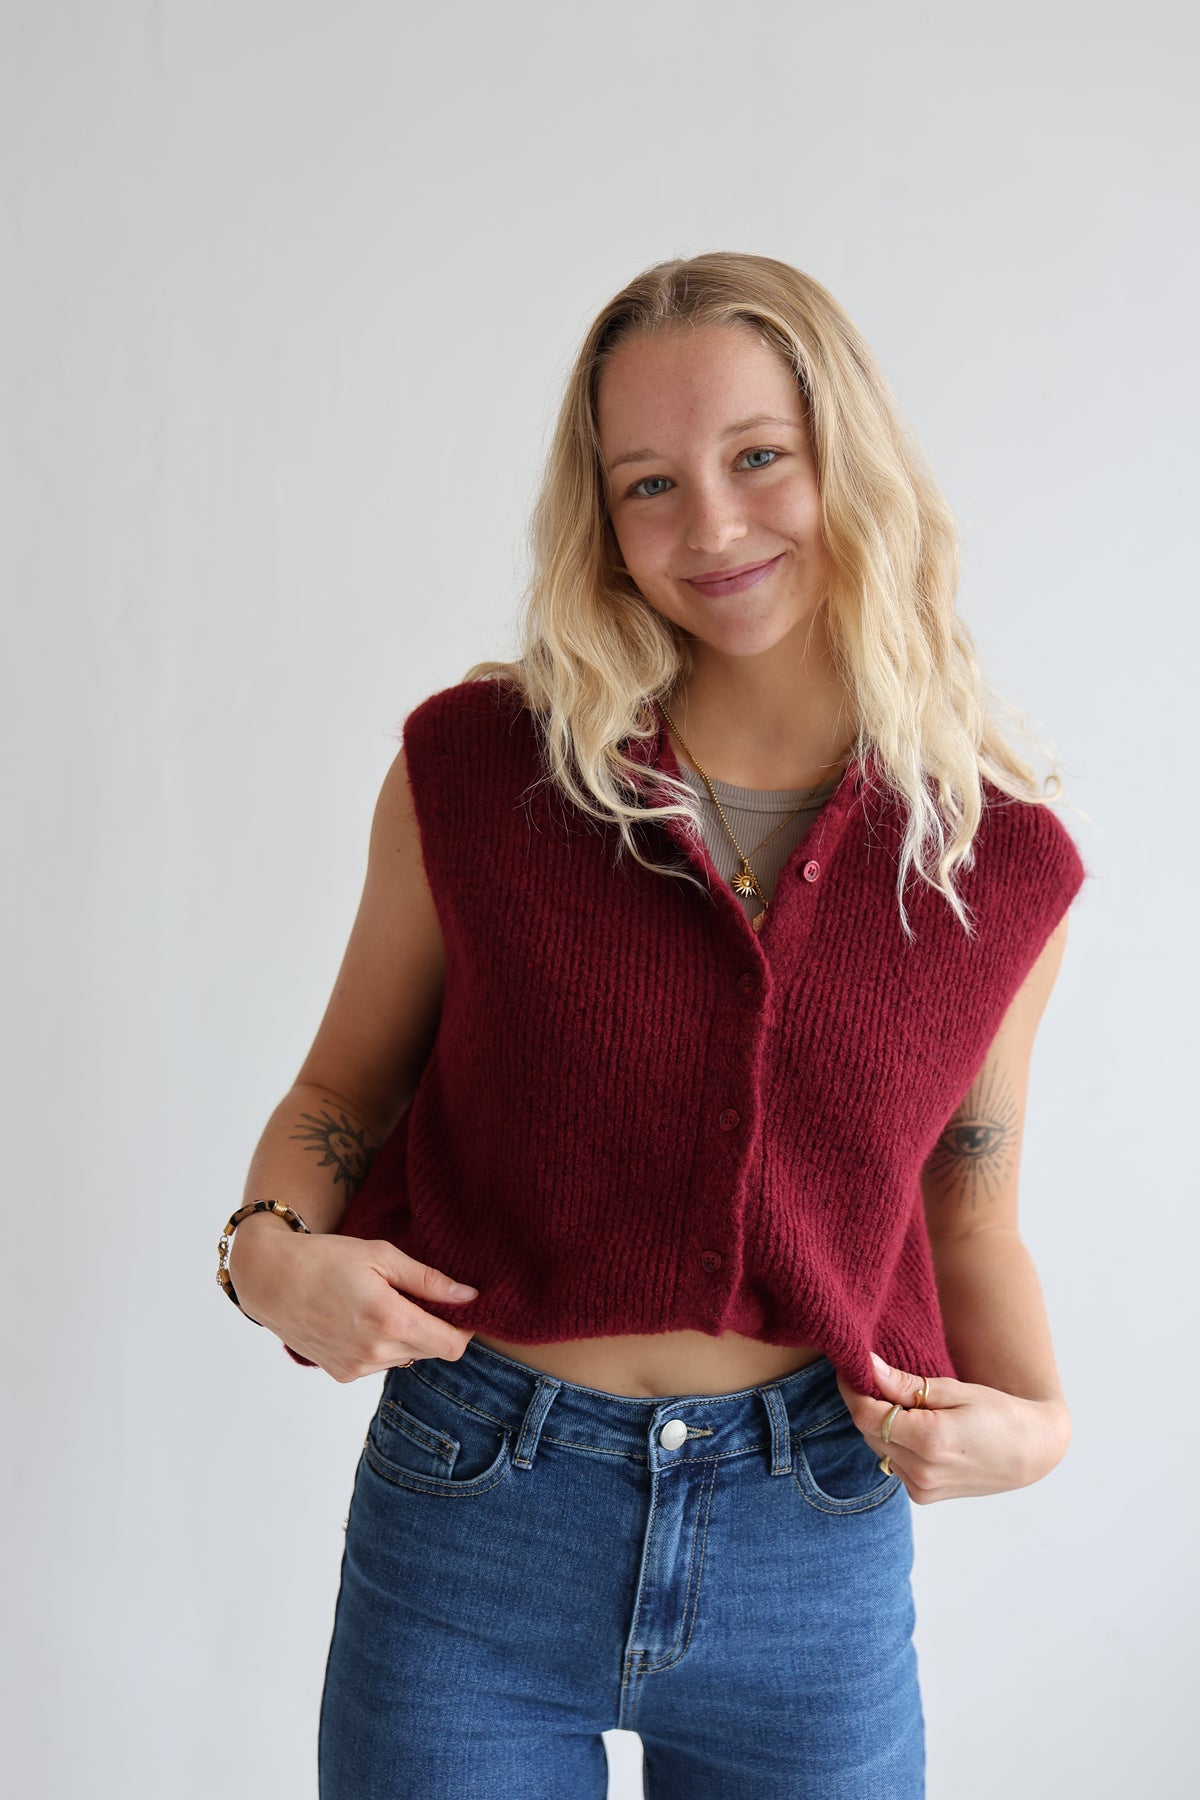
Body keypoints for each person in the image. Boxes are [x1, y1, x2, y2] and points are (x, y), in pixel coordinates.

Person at [217, 252, 1089, 1798]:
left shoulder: (991, 860)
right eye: (649, 485)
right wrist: (270, 1257)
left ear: (847, 458)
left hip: (810, 1542)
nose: (713, 527)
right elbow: (341, 1096)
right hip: (474, 1515)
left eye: (758, 457)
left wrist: (1040, 1430)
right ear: (602, 519)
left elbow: (969, 1216)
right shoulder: (479, 770)